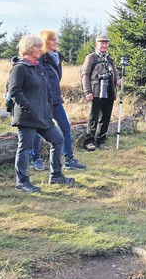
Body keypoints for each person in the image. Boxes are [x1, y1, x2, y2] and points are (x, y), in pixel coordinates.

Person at [8, 34, 75, 192]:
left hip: (43, 116)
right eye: (37, 47)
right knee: (25, 148)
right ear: (29, 48)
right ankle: (22, 181)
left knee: (58, 140)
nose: (40, 49)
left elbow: (48, 91)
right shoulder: (19, 68)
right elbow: (14, 91)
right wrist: (28, 107)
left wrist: (48, 108)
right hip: (27, 117)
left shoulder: (39, 67)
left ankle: (56, 176)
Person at [30, 30, 86, 171]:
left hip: (55, 99)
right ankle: (35, 159)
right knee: (38, 129)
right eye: (52, 39)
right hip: (42, 101)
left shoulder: (56, 59)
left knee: (65, 127)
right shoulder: (39, 60)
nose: (56, 42)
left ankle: (69, 159)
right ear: (45, 42)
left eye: (56, 39)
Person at [80, 34, 122, 151]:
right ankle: (89, 141)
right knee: (94, 117)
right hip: (96, 92)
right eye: (101, 43)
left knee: (106, 118)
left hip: (109, 92)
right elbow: (85, 75)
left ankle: (101, 141)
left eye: (106, 43)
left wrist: (118, 81)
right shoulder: (91, 58)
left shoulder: (110, 59)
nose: (104, 46)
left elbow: (115, 73)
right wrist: (87, 91)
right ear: (97, 44)